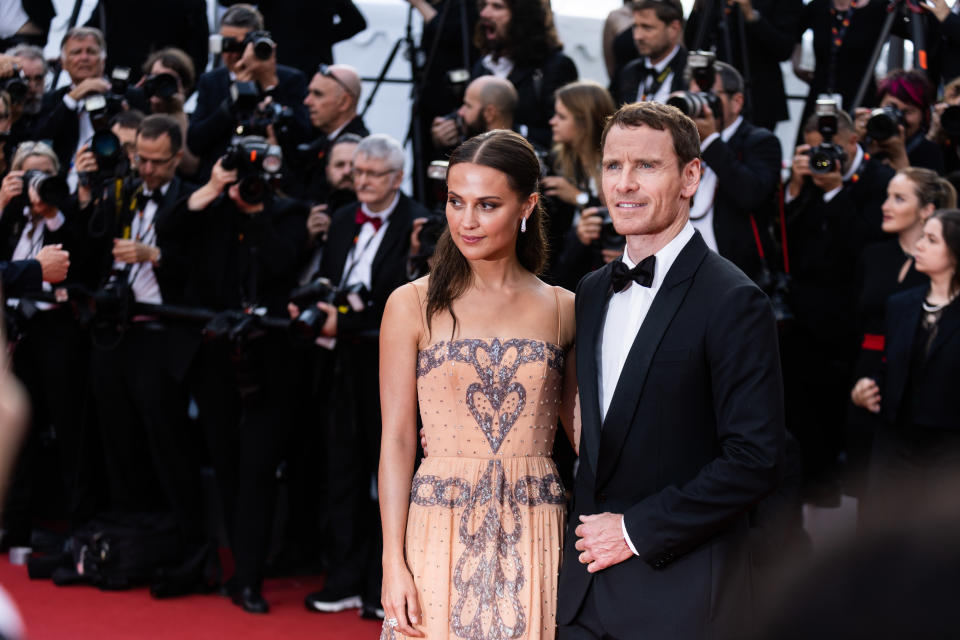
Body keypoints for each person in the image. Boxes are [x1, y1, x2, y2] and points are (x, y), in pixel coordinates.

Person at [556, 100, 784, 640]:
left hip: (677, 598)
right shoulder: (591, 290)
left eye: (646, 166)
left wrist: (635, 531)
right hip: (581, 598)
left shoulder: (733, 300)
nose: (625, 184)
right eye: (613, 166)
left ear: (690, 177)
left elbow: (755, 460)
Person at [378, 128, 577, 639]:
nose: (467, 221)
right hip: (436, 525)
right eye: (455, 201)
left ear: (527, 205)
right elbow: (398, 439)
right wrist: (391, 562)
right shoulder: (411, 304)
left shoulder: (563, 308)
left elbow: (586, 436)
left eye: (487, 205)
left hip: (536, 525)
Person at [303, 134, 428, 620]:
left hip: (392, 367)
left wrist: (348, 320)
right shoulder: (340, 220)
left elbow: (406, 299)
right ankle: (344, 579)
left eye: (373, 174)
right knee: (342, 472)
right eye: (357, 173)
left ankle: (391, 583)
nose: (362, 182)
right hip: (342, 367)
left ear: (397, 178)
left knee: (394, 475)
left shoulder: (416, 221)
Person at [183, 148, 307, 614]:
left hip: (271, 361)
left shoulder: (290, 214)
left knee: (257, 469)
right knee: (226, 464)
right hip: (215, 356)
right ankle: (238, 568)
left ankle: (249, 578)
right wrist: (215, 188)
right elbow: (172, 232)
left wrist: (256, 215)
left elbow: (282, 263)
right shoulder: (213, 211)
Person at [785, 108, 894, 503]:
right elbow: (785, 242)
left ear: (852, 143)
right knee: (804, 409)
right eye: (814, 151)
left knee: (841, 409)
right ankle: (815, 487)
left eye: (829, 150)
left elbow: (864, 248)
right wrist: (797, 190)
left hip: (851, 315)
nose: (822, 159)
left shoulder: (881, 181)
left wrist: (833, 192)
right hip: (804, 315)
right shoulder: (809, 179)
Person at [845, 169, 956, 498]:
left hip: (933, 416)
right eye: (887, 195)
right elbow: (854, 318)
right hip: (873, 378)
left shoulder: (939, 282)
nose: (886, 205)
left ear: (926, 210)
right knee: (869, 489)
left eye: (899, 198)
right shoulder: (876, 257)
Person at [683, 61, 782, 284]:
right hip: (683, 270)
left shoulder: (760, 141)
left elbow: (751, 194)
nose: (701, 105)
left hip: (734, 275)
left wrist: (710, 141)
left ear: (736, 102)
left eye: (709, 96)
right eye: (694, 96)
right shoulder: (681, 142)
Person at [187, 4, 309, 180]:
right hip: (220, 180)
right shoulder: (211, 81)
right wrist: (234, 97)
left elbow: (301, 137)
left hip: (271, 180)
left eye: (240, 45)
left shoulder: (290, 80)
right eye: (226, 44)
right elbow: (195, 143)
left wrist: (270, 85)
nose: (233, 54)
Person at [471, 0, 577, 149]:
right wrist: (454, 124)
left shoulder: (554, 67)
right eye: (484, 6)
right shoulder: (484, 64)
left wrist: (510, 128)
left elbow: (563, 136)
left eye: (497, 6)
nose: (484, 14)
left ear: (523, 17)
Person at [544, 81, 618, 290]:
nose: (552, 121)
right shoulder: (556, 163)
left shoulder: (616, 164)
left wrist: (579, 198)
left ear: (584, 123)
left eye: (561, 116)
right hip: (569, 273)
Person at [685, 0, 802, 131]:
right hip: (711, 90)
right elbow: (691, 44)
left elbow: (784, 49)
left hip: (758, 96)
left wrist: (752, 16)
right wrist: (699, 9)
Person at [218, 0, 367, 78]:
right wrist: (319, 40)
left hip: (276, 61)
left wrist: (319, 39)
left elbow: (357, 22)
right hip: (298, 64)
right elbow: (356, 22)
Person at [854, 69, 945, 174]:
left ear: (923, 116)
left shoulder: (929, 153)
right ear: (878, 105)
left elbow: (917, 190)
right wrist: (857, 146)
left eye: (907, 111)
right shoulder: (863, 138)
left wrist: (898, 156)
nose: (897, 117)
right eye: (891, 108)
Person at [614, 0, 687, 106]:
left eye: (647, 27)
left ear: (674, 28)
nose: (637, 36)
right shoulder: (629, 72)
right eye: (635, 27)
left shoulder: (691, 74)